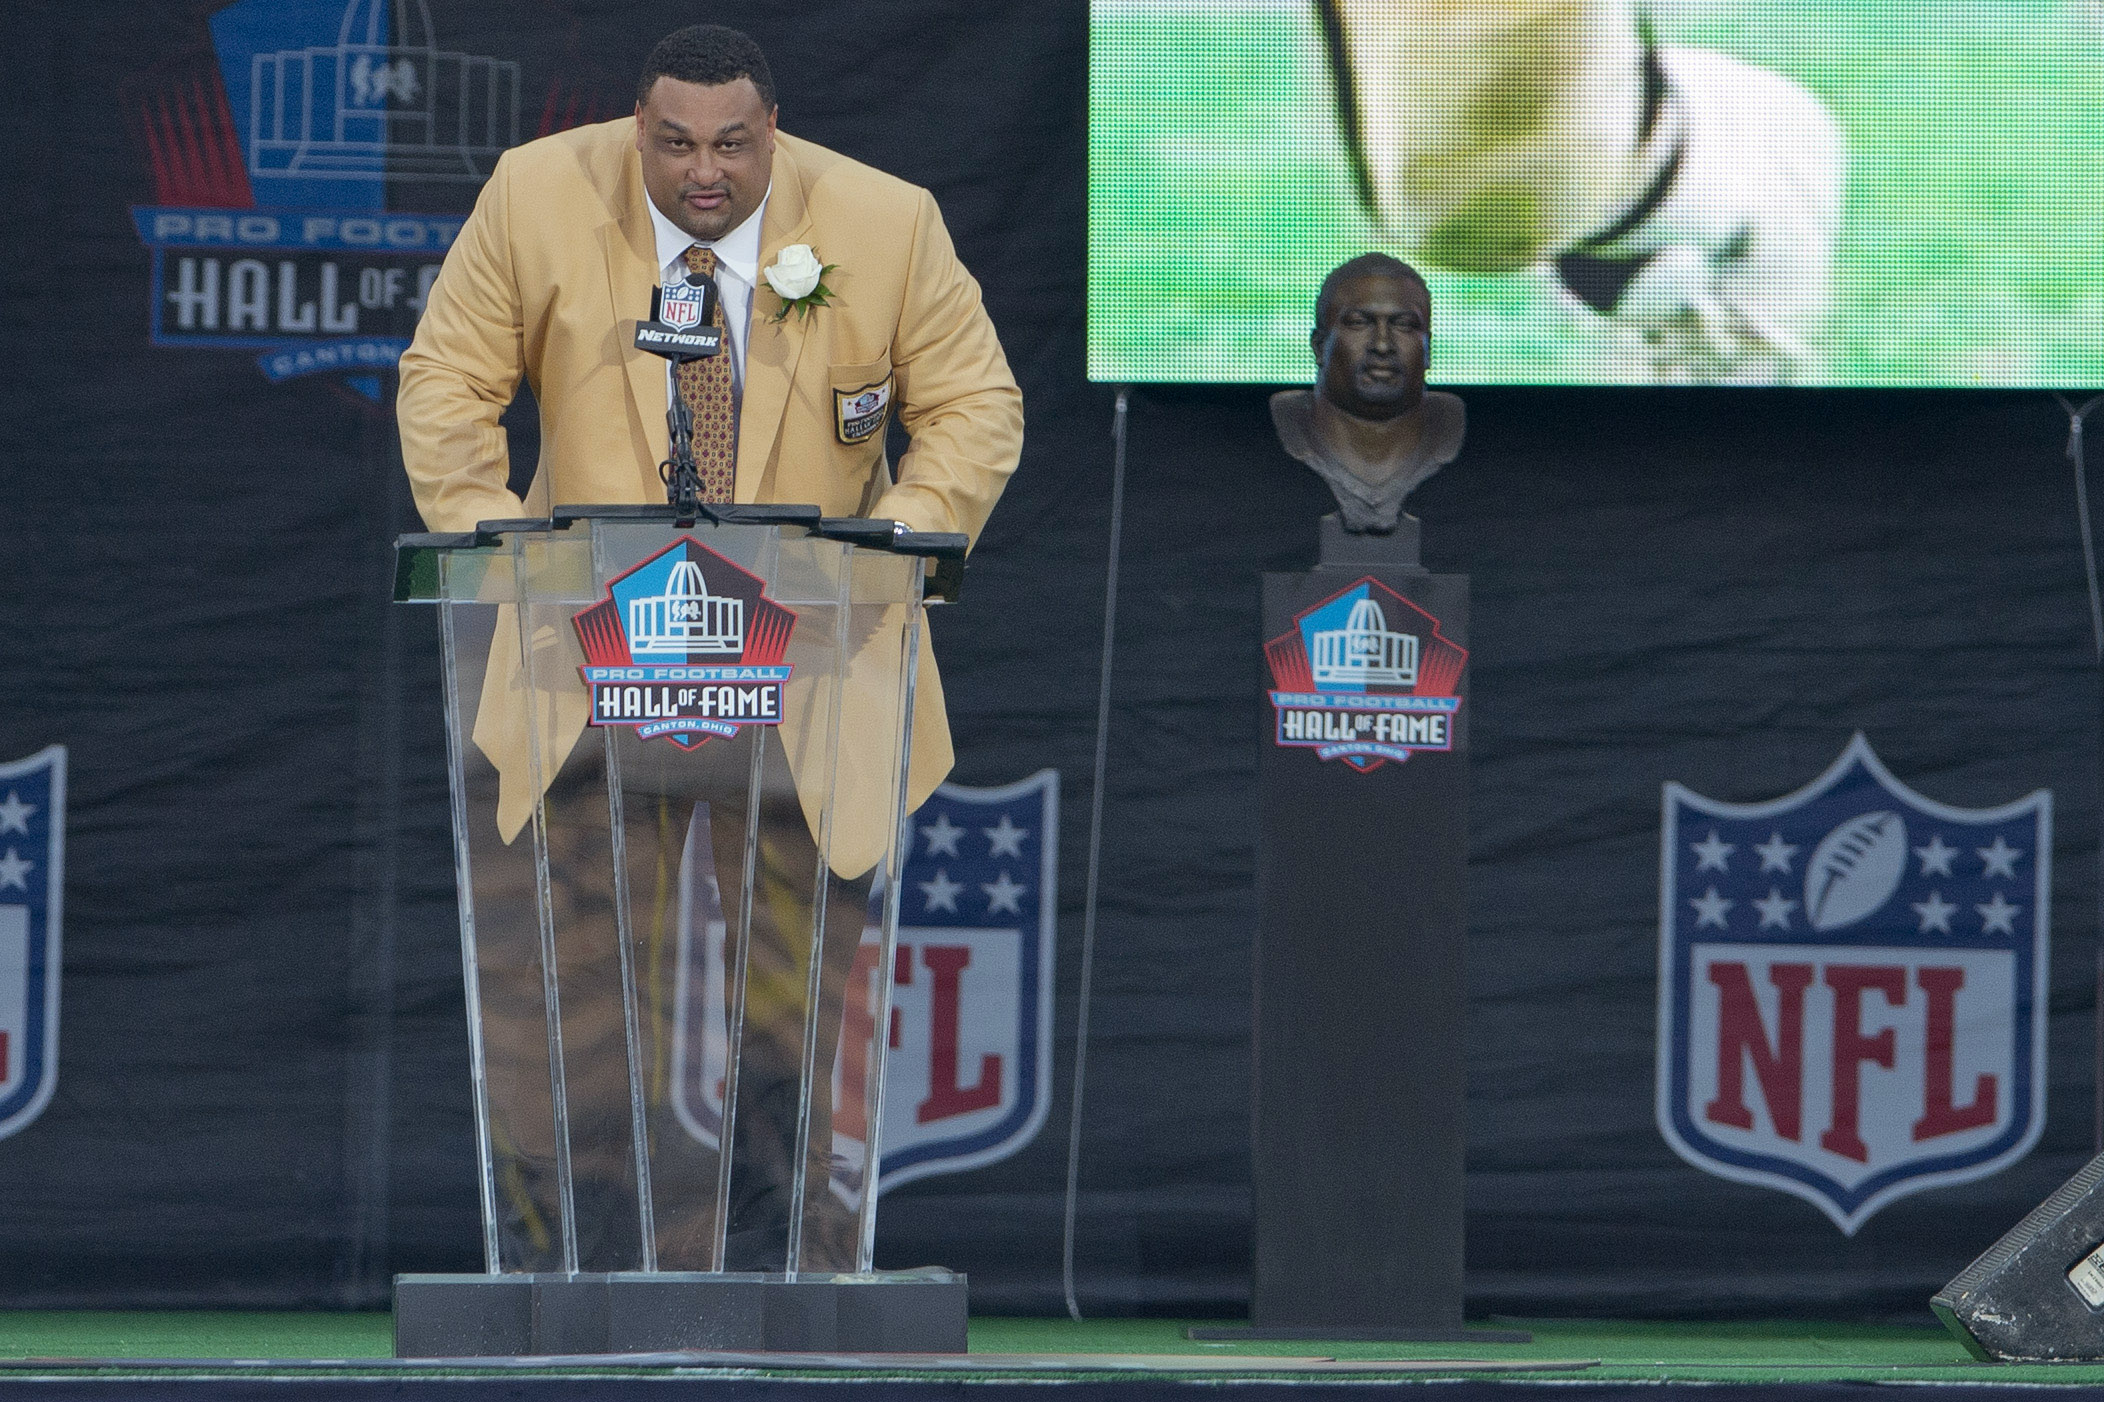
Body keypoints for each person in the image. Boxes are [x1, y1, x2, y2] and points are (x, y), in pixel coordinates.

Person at [396, 24, 1023, 1274]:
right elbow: (445, 378)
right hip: (594, 661)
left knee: (801, 1012)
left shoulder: (885, 222)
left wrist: (892, 542)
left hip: (808, 674)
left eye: (731, 146)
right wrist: (492, 544)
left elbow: (973, 404)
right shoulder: (536, 195)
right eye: (674, 142)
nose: (702, 171)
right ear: (637, 128)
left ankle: (798, 1270)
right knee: (571, 1007)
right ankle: (577, 1267)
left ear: (770, 137)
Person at [1316, 0, 1844, 383]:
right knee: (1786, 124)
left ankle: (1626, 286)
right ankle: (1735, 382)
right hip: (1553, 181)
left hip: (1397, 186)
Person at [1272, 254, 1464, 535]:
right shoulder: (1288, 428)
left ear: (1428, 349)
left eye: (1404, 325)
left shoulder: (1448, 431)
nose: (1383, 345)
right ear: (1318, 346)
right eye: (1359, 322)